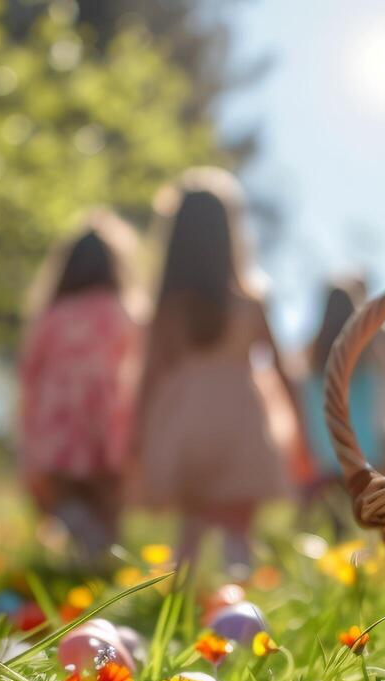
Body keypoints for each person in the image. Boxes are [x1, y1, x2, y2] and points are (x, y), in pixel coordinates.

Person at [133, 168, 304, 572]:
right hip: (240, 419)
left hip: (183, 420)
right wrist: (303, 429)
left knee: (190, 529)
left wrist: (137, 439)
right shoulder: (251, 299)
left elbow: (150, 375)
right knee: (238, 527)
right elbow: (281, 367)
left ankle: (181, 605)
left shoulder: (169, 307)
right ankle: (238, 601)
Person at [19, 213, 143, 562]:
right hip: (109, 425)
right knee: (108, 503)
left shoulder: (52, 314)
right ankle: (103, 566)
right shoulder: (126, 311)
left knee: (65, 497)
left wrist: (27, 433)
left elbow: (29, 373)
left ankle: (79, 558)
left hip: (58, 425)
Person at [299, 280, 385, 496]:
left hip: (327, 452)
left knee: (336, 521)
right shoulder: (370, 345)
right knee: (372, 515)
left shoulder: (311, 352)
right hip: (369, 450)